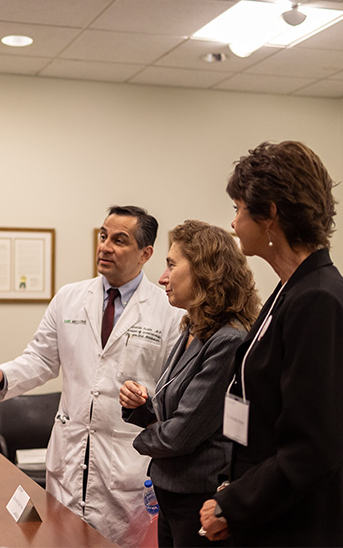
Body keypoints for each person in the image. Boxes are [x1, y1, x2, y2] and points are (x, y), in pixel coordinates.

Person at [0, 205, 184, 547]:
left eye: (120, 240)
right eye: (103, 236)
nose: (105, 246)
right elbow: (41, 359)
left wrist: (147, 400)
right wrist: (0, 375)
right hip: (70, 457)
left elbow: (174, 386)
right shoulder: (70, 298)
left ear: (145, 253)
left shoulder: (168, 310)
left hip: (126, 465)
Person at [199, 141, 343, 546]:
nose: (233, 223)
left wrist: (234, 503)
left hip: (301, 527)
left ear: (270, 213)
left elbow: (312, 448)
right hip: (271, 510)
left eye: (239, 209)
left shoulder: (319, 300)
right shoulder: (290, 290)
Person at [120, 220, 260, 547]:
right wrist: (142, 407)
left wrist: (139, 439)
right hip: (171, 492)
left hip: (198, 499)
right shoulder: (193, 329)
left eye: (171, 264)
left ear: (204, 271)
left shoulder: (228, 340)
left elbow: (180, 435)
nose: (162, 277)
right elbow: (169, 416)